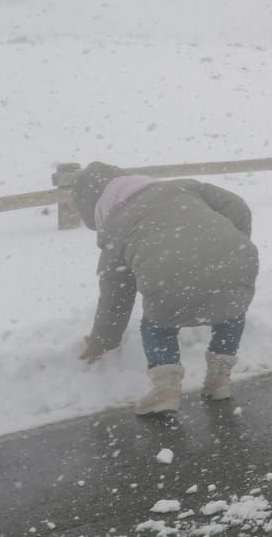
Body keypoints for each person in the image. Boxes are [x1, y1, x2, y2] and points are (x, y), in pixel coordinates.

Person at [72, 161, 259, 414]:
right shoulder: (183, 187)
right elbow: (238, 207)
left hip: (169, 275)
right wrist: (232, 244)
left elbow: (116, 297)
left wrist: (102, 340)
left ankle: (166, 388)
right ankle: (219, 378)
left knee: (158, 325)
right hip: (235, 259)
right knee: (231, 312)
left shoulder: (116, 227)